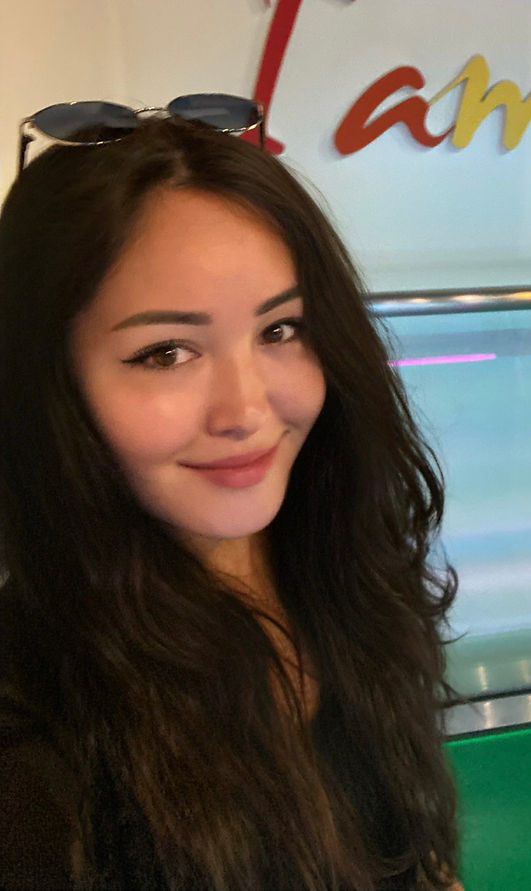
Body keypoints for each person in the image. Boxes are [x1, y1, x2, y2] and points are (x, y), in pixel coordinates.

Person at [0, 105, 461, 890]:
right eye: (166, 352)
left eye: (280, 330)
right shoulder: (34, 758)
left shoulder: (342, 563)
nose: (246, 411)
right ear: (51, 383)